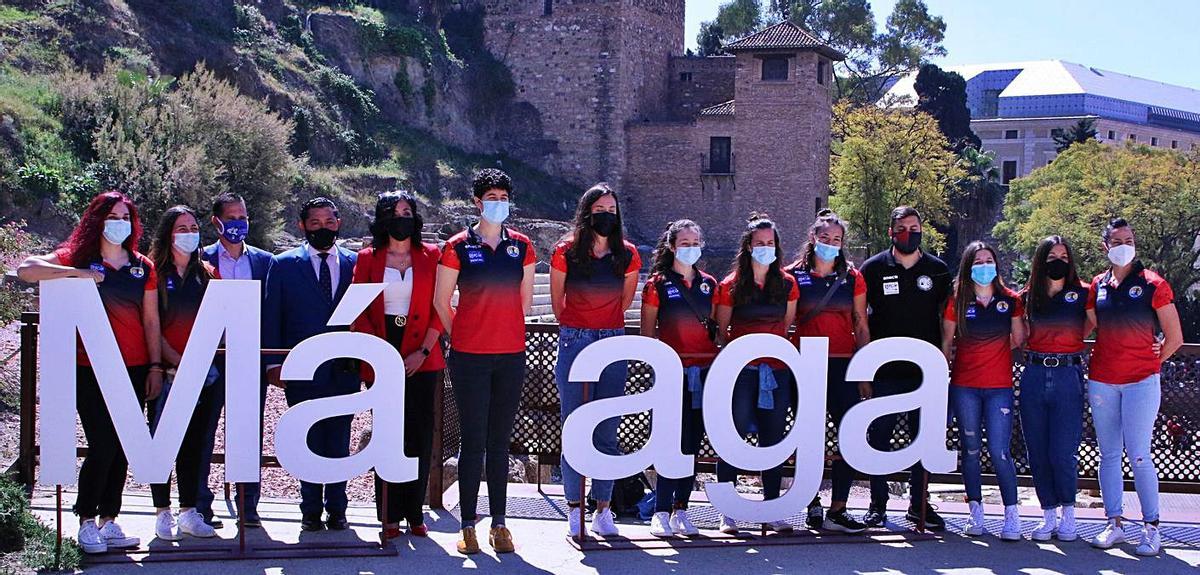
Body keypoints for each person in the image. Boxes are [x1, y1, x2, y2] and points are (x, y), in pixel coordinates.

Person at [17, 190, 161, 554]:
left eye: (125, 217)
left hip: (134, 367)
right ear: (98, 220)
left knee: (126, 445)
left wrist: (156, 365)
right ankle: (85, 520)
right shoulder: (77, 257)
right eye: (112, 217)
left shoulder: (142, 265)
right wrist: (79, 273)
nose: (119, 224)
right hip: (89, 368)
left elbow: (150, 319)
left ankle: (109, 521)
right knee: (103, 443)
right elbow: (26, 269)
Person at [434, 169, 536, 555]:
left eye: (503, 196)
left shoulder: (522, 247)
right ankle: (467, 524)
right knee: (472, 441)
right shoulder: (457, 246)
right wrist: (461, 334)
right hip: (469, 357)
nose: (498, 202)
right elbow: (441, 301)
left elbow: (525, 302)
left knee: (499, 441)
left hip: (510, 354)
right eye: (491, 196)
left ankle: (500, 523)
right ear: (478, 202)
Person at [1085, 218, 1183, 556]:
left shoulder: (1154, 284)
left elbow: (1175, 337)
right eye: (1117, 240)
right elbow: (1096, 324)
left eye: (1129, 238)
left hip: (1141, 381)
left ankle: (1151, 527)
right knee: (1109, 454)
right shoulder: (1097, 284)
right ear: (1106, 247)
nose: (1124, 244)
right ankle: (1114, 523)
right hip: (1102, 381)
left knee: (1139, 455)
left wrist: (1151, 362)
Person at [351, 191, 445, 540]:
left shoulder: (431, 256)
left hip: (423, 353)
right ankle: (388, 513)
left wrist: (422, 351)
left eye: (407, 211)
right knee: (388, 434)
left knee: (420, 435)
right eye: (394, 212)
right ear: (382, 220)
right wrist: (381, 355)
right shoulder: (367, 258)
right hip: (381, 352)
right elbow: (358, 311)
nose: (401, 217)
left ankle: (414, 511)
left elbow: (441, 306)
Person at [550, 183, 641, 539]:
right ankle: (574, 508)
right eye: (600, 208)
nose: (606, 215)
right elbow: (558, 300)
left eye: (612, 209)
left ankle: (602, 509)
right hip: (574, 339)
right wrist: (578, 326)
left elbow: (625, 301)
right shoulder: (566, 250)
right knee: (573, 427)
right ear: (587, 212)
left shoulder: (628, 254)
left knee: (607, 429)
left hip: (611, 342)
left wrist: (603, 328)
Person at [262, 197, 359, 532]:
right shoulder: (284, 264)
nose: (323, 228)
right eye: (315, 223)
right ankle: (310, 511)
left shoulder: (355, 263)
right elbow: (272, 315)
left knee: (339, 441)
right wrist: (273, 363)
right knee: (308, 440)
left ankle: (338, 509)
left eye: (329, 222)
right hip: (301, 369)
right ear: (302, 225)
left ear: (338, 222)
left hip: (344, 369)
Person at [857, 206, 951, 530]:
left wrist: (943, 364)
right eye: (902, 228)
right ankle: (877, 506)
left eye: (914, 227)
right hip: (884, 372)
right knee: (879, 439)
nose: (909, 233)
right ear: (891, 232)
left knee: (922, 439)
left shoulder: (938, 270)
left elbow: (947, 321)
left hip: (924, 374)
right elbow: (860, 321)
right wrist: (864, 371)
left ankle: (918, 505)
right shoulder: (872, 269)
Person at [784, 210, 869, 534]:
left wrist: (864, 371)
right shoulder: (792, 275)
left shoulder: (853, 277)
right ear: (812, 238)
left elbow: (861, 324)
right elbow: (785, 323)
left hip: (843, 365)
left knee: (848, 435)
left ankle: (839, 508)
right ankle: (811, 503)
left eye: (837, 240)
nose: (830, 244)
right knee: (808, 437)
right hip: (804, 364)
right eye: (825, 238)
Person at [713, 213, 799, 536]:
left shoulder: (788, 285)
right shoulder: (730, 285)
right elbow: (722, 332)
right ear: (748, 247)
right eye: (759, 243)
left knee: (773, 440)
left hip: (776, 373)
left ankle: (772, 508)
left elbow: (788, 327)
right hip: (741, 374)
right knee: (731, 438)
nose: (765, 248)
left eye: (770, 243)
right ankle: (728, 511)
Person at [940, 241, 1026, 540]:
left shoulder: (1010, 300)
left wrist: (994, 351)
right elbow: (947, 342)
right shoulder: (958, 301)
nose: (984, 266)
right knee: (971, 450)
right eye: (978, 262)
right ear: (968, 267)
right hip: (965, 387)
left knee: (1000, 451)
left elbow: (1019, 337)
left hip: (999, 388)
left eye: (989, 260)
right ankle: (975, 513)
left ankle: (1011, 516)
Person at [197, 192, 273, 529]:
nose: (238, 223)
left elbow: (272, 313)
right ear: (216, 222)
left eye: (242, 217)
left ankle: (248, 504)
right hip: (211, 358)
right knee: (203, 431)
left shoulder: (265, 262)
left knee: (247, 432)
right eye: (231, 217)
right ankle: (200, 503)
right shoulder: (200, 260)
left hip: (249, 358)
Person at [639, 220, 718, 538]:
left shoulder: (710, 284)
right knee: (669, 443)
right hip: (671, 373)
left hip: (705, 372)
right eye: (684, 242)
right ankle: (660, 510)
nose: (691, 247)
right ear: (672, 247)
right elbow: (647, 332)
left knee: (691, 444)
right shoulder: (657, 284)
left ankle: (682, 509)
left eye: (696, 241)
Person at [146, 205, 220, 541]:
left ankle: (189, 511)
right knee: (162, 445)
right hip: (169, 373)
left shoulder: (208, 274)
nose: (189, 233)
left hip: (203, 376)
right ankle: (162, 512)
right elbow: (151, 325)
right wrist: (173, 360)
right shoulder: (154, 274)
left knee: (194, 444)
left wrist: (198, 365)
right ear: (167, 234)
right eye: (181, 228)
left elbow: (218, 324)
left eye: (193, 227)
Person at [1019, 236, 1093, 542]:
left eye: (1064, 255)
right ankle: (1048, 514)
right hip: (1034, 373)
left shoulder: (1085, 292)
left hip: (1067, 375)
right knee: (1037, 450)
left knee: (1063, 452)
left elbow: (1093, 326)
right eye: (1052, 256)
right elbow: (1020, 334)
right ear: (1041, 261)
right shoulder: (1027, 296)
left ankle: (1069, 515)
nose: (1058, 261)